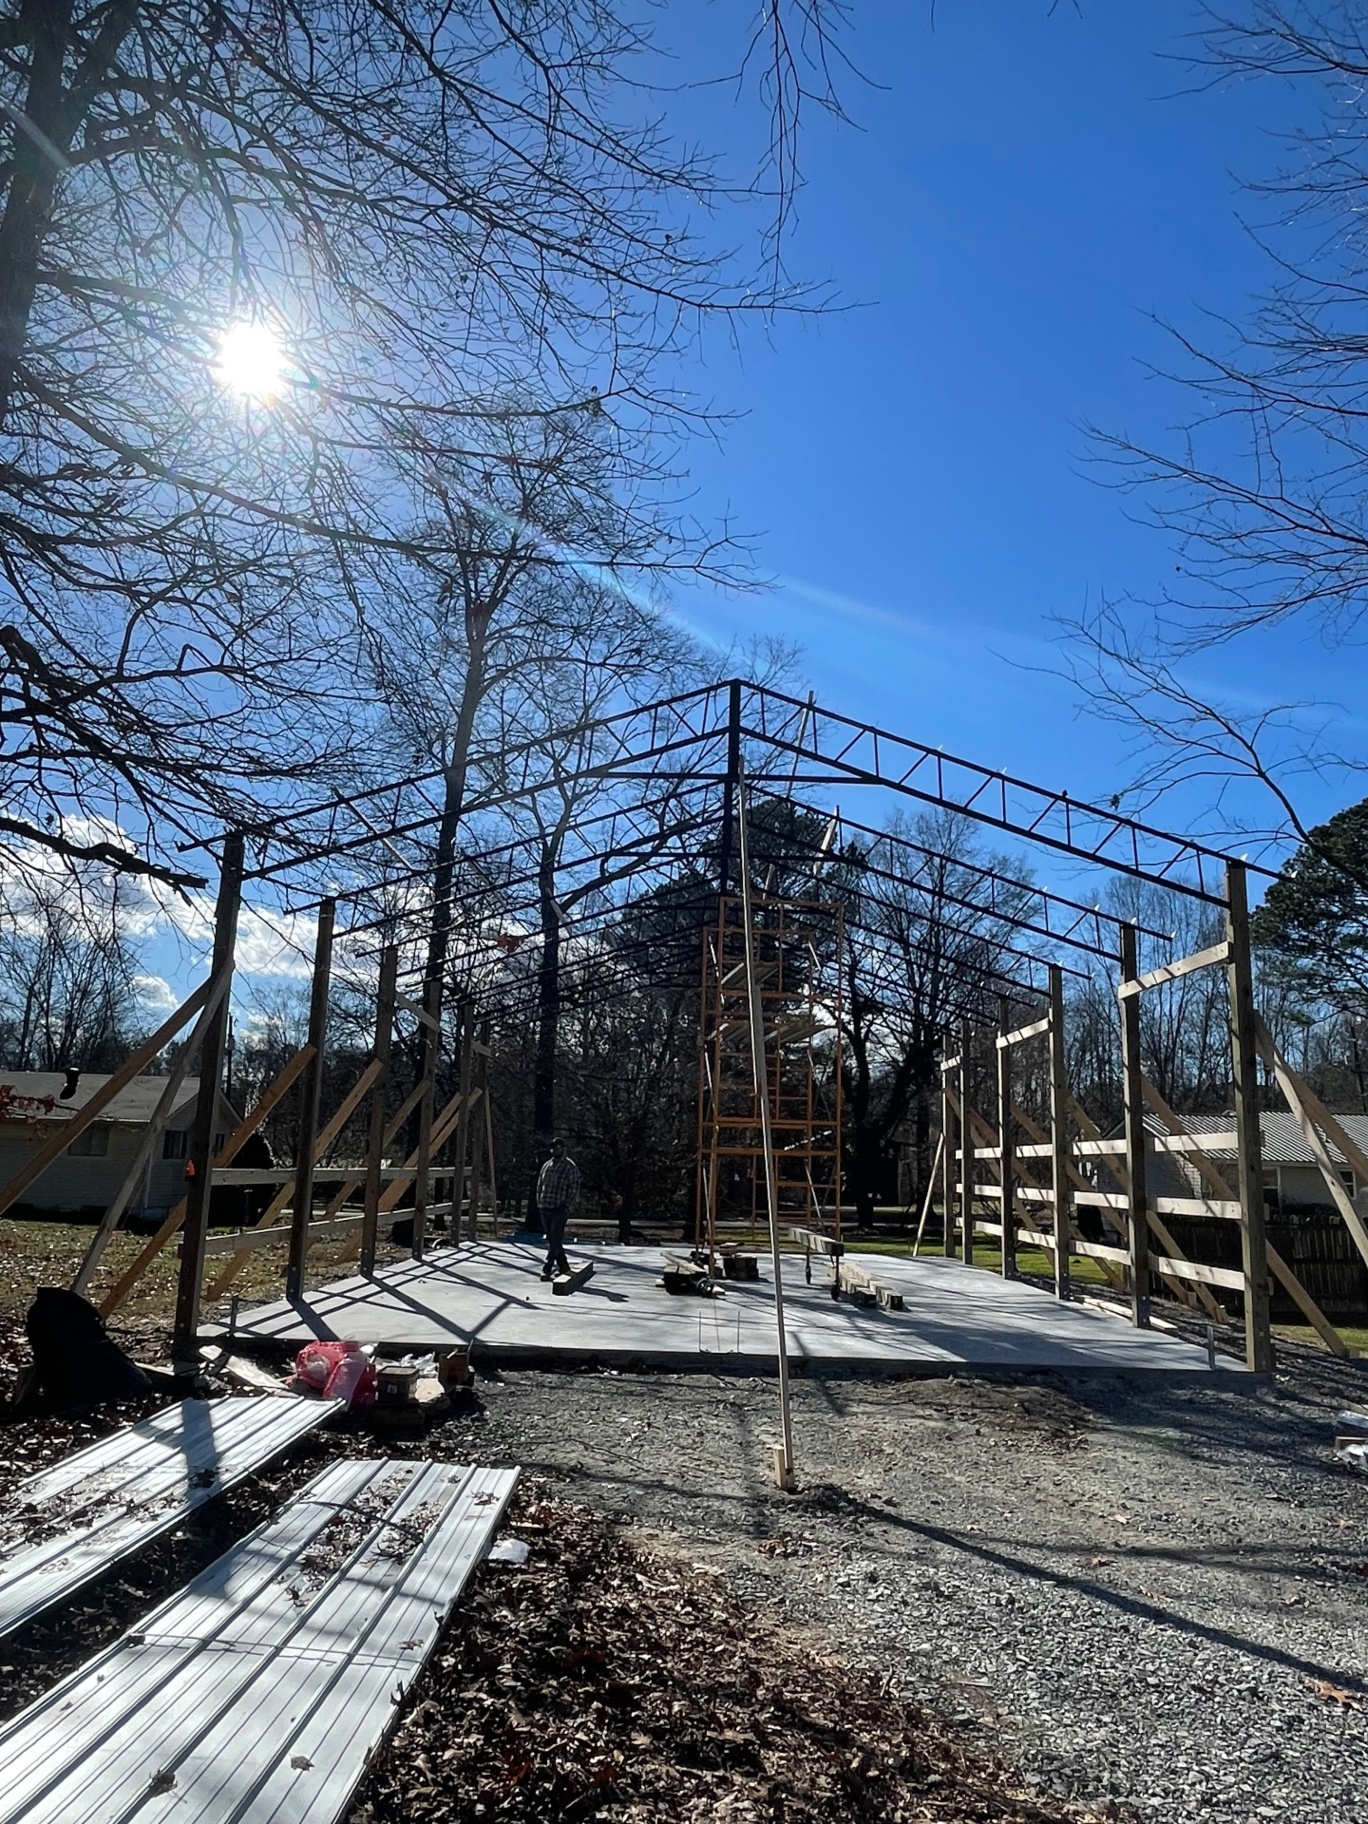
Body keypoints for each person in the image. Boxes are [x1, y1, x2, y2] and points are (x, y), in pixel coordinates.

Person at [536, 1136, 580, 1280]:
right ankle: (564, 1267)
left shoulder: (570, 1167)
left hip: (559, 1207)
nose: (555, 1149)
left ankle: (547, 1268)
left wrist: (568, 1207)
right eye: (553, 1147)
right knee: (552, 1238)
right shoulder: (547, 1166)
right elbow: (540, 1184)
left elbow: (574, 1190)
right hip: (545, 1206)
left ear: (564, 1148)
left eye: (558, 1147)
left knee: (555, 1237)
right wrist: (539, 1202)